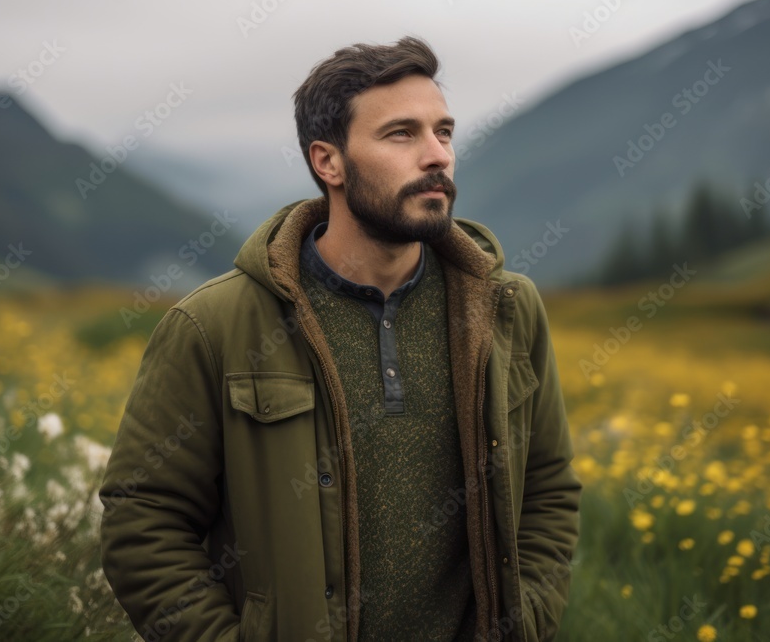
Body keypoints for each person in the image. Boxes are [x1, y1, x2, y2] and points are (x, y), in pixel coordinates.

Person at [98, 35, 581, 642]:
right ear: (328, 162)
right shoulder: (213, 325)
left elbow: (547, 488)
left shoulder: (508, 309)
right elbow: (143, 519)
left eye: (444, 132)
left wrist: (527, 621)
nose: (437, 156)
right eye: (401, 134)